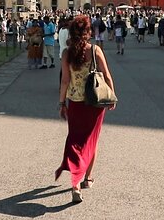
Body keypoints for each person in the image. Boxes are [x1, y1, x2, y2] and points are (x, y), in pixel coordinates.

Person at [56, 15, 116, 203]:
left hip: (75, 102)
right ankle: (87, 178)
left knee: (75, 140)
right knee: (92, 140)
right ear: (88, 32)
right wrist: (112, 95)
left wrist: (61, 103)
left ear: (72, 33)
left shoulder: (66, 53)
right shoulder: (96, 50)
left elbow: (65, 80)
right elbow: (106, 75)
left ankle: (75, 183)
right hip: (95, 102)